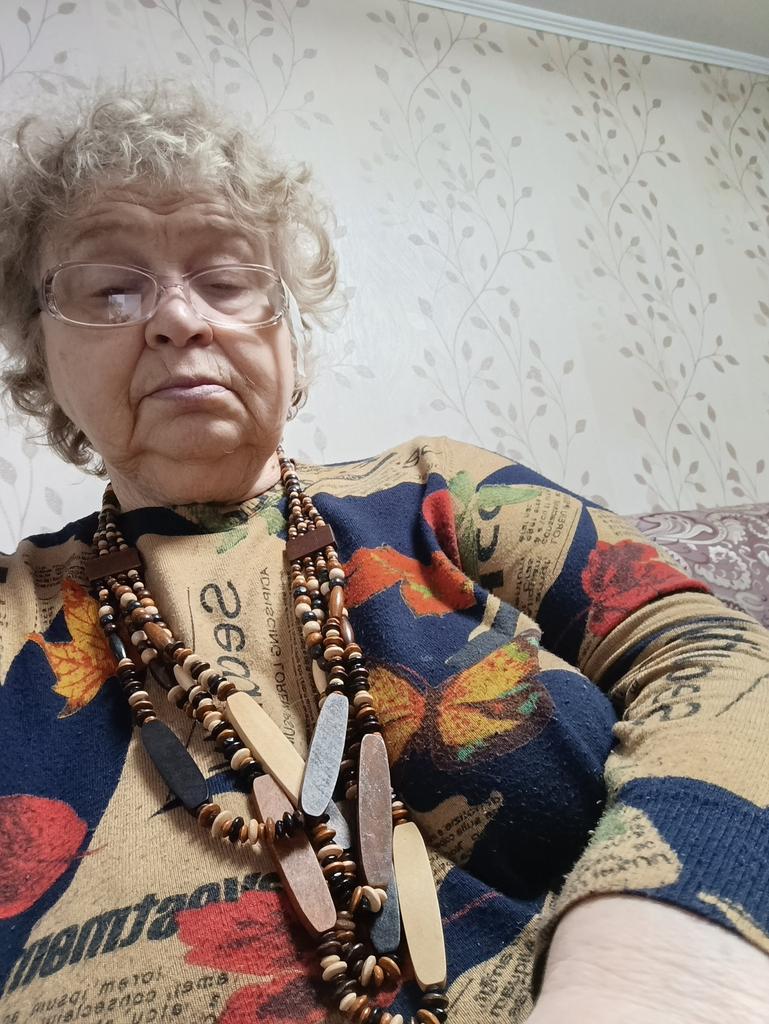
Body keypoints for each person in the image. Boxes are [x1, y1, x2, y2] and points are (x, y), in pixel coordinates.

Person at [0, 85, 767, 1024]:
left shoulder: (439, 490)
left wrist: (664, 955)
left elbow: (711, 650)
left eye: (227, 279)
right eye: (111, 289)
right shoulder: (15, 609)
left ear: (289, 339)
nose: (177, 321)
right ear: (39, 355)